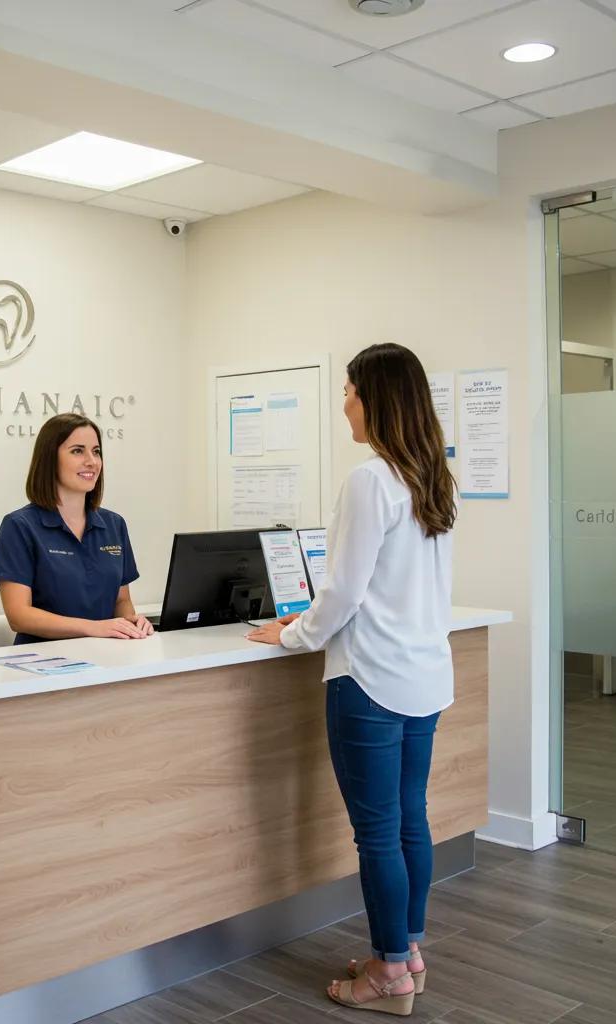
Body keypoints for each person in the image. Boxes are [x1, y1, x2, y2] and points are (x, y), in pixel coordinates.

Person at [248, 343, 456, 1016]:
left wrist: (293, 633)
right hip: (423, 674)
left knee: (378, 833)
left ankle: (390, 975)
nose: (344, 403)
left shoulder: (371, 480)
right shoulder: (430, 477)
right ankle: (406, 953)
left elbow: (341, 594)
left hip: (369, 679)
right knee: (409, 823)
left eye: (349, 390)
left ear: (377, 398)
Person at [0, 413, 153, 643]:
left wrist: (131, 623)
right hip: (45, 664)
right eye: (78, 451)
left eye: (96, 451)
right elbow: (19, 615)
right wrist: (94, 628)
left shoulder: (114, 525)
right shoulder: (19, 527)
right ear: (50, 459)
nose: (92, 461)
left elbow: (120, 601)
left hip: (108, 658)